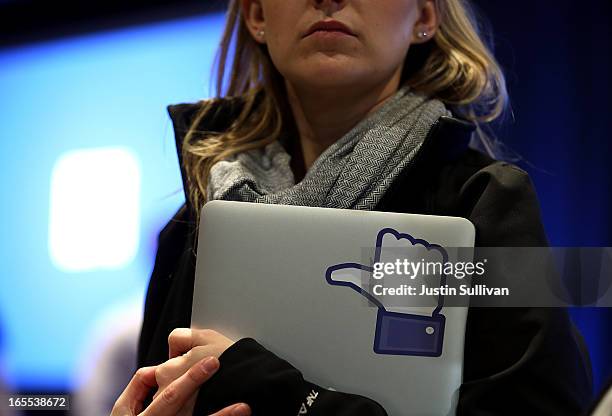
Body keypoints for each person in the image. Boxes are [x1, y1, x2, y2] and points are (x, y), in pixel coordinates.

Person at [125, 0, 593, 414]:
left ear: (424, 16)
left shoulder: (489, 201)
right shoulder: (189, 228)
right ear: (257, 14)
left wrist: (284, 396)